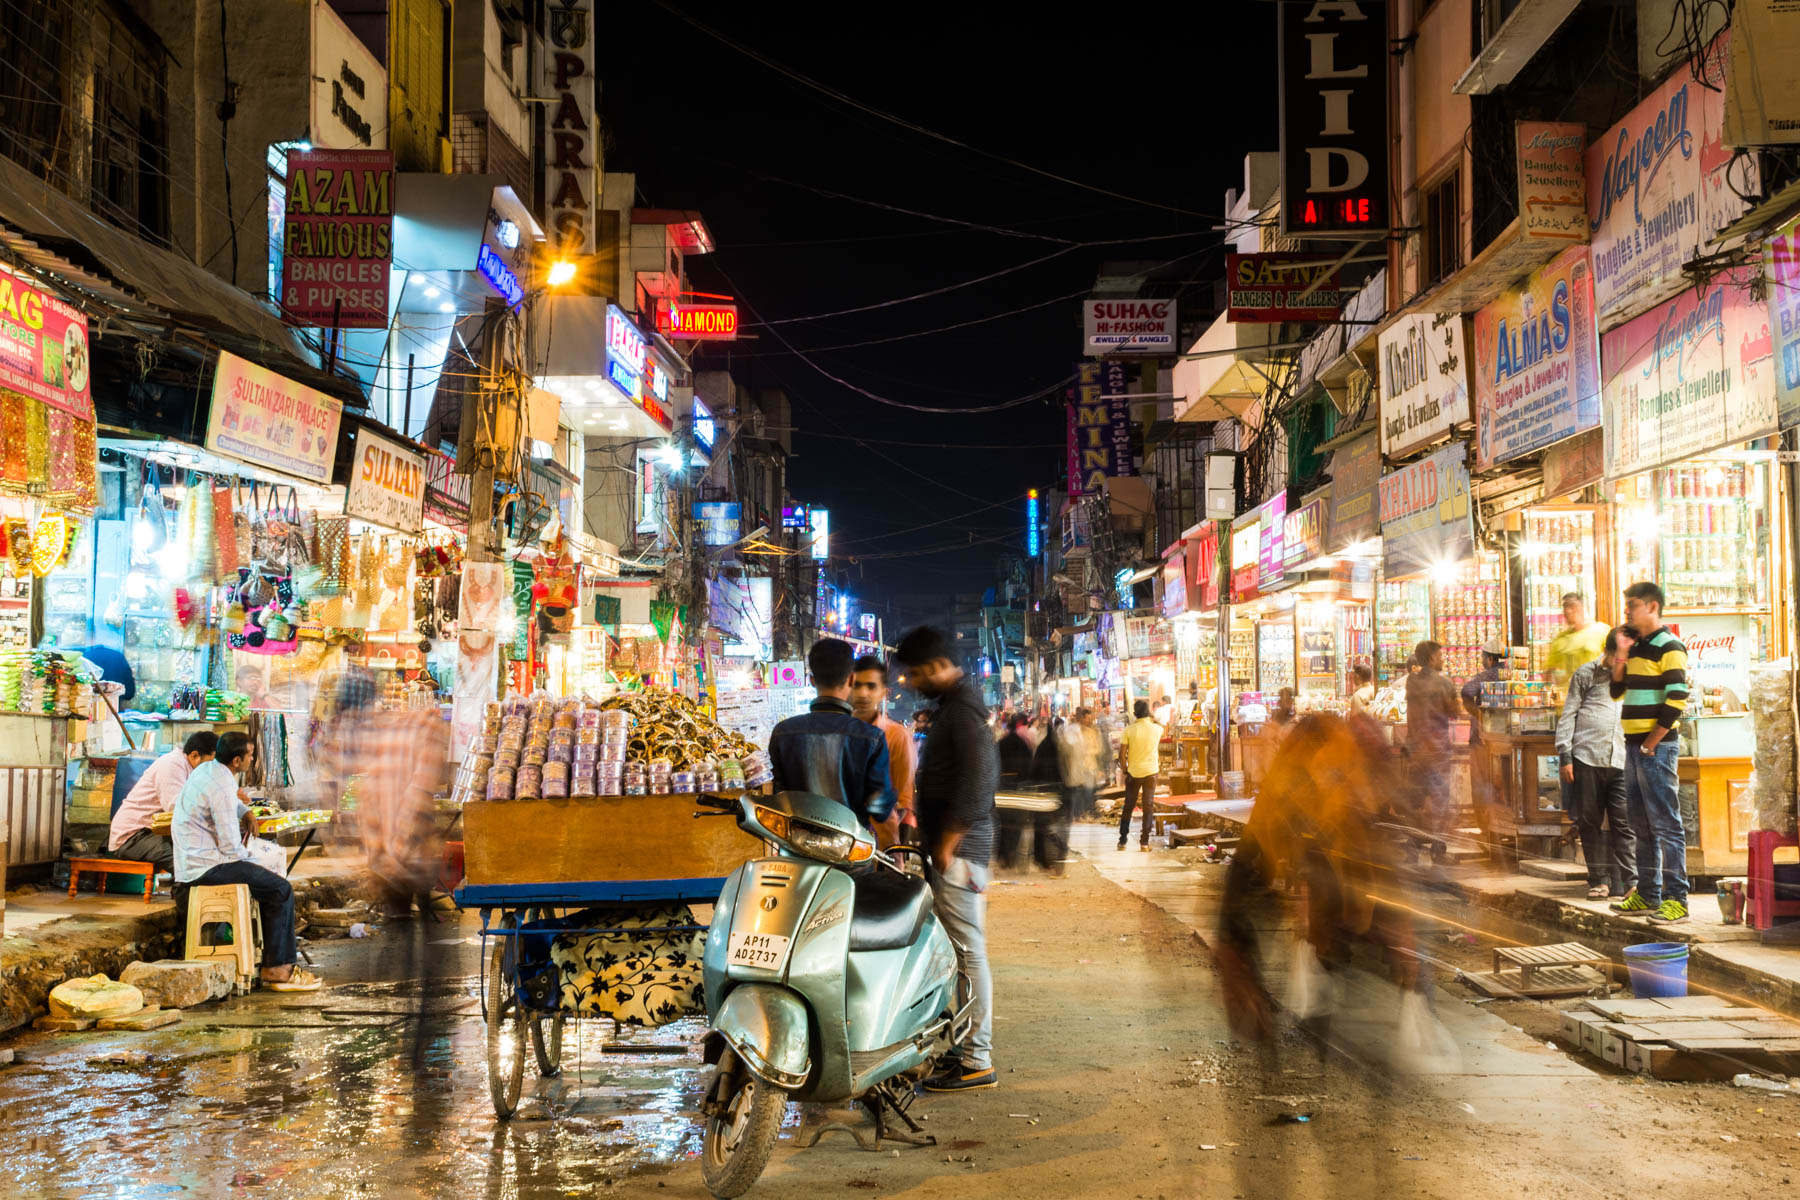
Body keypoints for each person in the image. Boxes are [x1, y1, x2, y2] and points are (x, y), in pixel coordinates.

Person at [894, 626, 998, 1092]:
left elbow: (979, 782)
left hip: (961, 854)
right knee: (957, 955)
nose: (912, 682)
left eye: (916, 673)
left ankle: (977, 1058)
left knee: (967, 953)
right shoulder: (954, 710)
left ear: (937, 668)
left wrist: (948, 843)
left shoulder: (963, 716)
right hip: (954, 853)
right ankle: (964, 1049)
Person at [171, 731, 321, 991]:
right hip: (206, 868)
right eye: (251, 755)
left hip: (197, 862)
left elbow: (228, 803)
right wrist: (254, 861)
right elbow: (230, 846)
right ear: (238, 760)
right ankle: (279, 970)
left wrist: (246, 811)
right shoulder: (220, 784)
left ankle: (271, 960)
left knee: (267, 883)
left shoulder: (210, 770)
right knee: (280, 889)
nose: (253, 759)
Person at [1610, 582, 1691, 922]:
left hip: (1655, 747)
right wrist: (1623, 654)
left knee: (1666, 823)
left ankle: (1677, 899)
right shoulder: (1638, 647)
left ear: (1652, 607)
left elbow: (1677, 700)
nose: (1627, 611)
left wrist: (1651, 742)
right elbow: (1616, 690)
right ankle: (1647, 894)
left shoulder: (1670, 646)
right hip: (1633, 746)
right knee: (1640, 823)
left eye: (1632, 605)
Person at [767, 638, 898, 845]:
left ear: (811, 680)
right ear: (851, 680)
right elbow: (880, 807)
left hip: (797, 854)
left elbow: (777, 796)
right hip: (850, 853)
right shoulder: (871, 738)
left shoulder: (783, 733)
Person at [1557, 628, 1636, 900]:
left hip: (1621, 758)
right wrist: (1565, 755)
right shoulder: (1585, 674)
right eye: (1620, 656)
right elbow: (1568, 715)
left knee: (1623, 822)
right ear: (1609, 651)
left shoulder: (1632, 676)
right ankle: (1598, 881)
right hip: (1586, 757)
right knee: (1590, 821)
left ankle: (1631, 882)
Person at [108, 732, 218, 873]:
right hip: (133, 837)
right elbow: (176, 808)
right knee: (190, 864)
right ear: (195, 755)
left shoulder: (195, 770)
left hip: (154, 833)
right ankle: (185, 894)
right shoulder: (172, 765)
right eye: (212, 762)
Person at [850, 654, 917, 839]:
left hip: (881, 845)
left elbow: (903, 802)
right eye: (857, 685)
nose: (863, 693)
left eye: (871, 686)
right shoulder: (841, 733)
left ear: (883, 692)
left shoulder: (897, 736)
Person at [1404, 641, 1459, 829]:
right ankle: (1438, 845)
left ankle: (1414, 846)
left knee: (1415, 801)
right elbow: (1455, 712)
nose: (1442, 659)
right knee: (1440, 801)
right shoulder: (1444, 684)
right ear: (1431, 658)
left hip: (1416, 751)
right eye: (1440, 656)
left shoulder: (1411, 682)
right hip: (1438, 751)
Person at [1117, 699, 1164, 851]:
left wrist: (1125, 769)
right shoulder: (1157, 729)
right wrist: (1153, 718)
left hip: (1134, 772)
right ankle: (1144, 842)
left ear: (1135, 713)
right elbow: (1164, 728)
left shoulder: (1129, 730)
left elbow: (1122, 754)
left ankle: (1123, 840)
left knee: (1129, 805)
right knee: (1148, 805)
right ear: (1148, 712)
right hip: (1151, 771)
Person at [1546, 593, 1607, 691]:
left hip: (1595, 696)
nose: (1567, 611)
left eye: (1572, 606)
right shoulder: (1560, 639)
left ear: (1581, 608)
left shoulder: (1601, 631)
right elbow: (1549, 673)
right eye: (1565, 607)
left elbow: (1613, 661)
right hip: (1572, 699)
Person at [1059, 707, 1103, 820]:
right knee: (1078, 791)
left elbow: (1097, 748)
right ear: (1081, 718)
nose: (1089, 721)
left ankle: (1083, 813)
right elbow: (1066, 748)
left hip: (1089, 766)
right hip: (1077, 767)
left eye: (1090, 718)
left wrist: (1086, 752)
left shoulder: (1091, 732)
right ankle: (1077, 814)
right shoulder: (1072, 730)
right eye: (1087, 718)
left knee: (1087, 791)